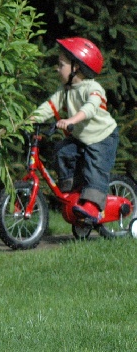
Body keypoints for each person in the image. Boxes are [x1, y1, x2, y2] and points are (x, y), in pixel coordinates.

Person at [30, 37, 119, 222]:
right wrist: (27, 121)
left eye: (61, 64)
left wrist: (71, 119)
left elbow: (90, 108)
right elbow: (49, 106)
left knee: (95, 168)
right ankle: (72, 188)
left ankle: (93, 206)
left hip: (102, 137)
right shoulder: (65, 90)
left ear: (76, 67)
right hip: (81, 138)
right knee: (63, 151)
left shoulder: (93, 87)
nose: (57, 68)